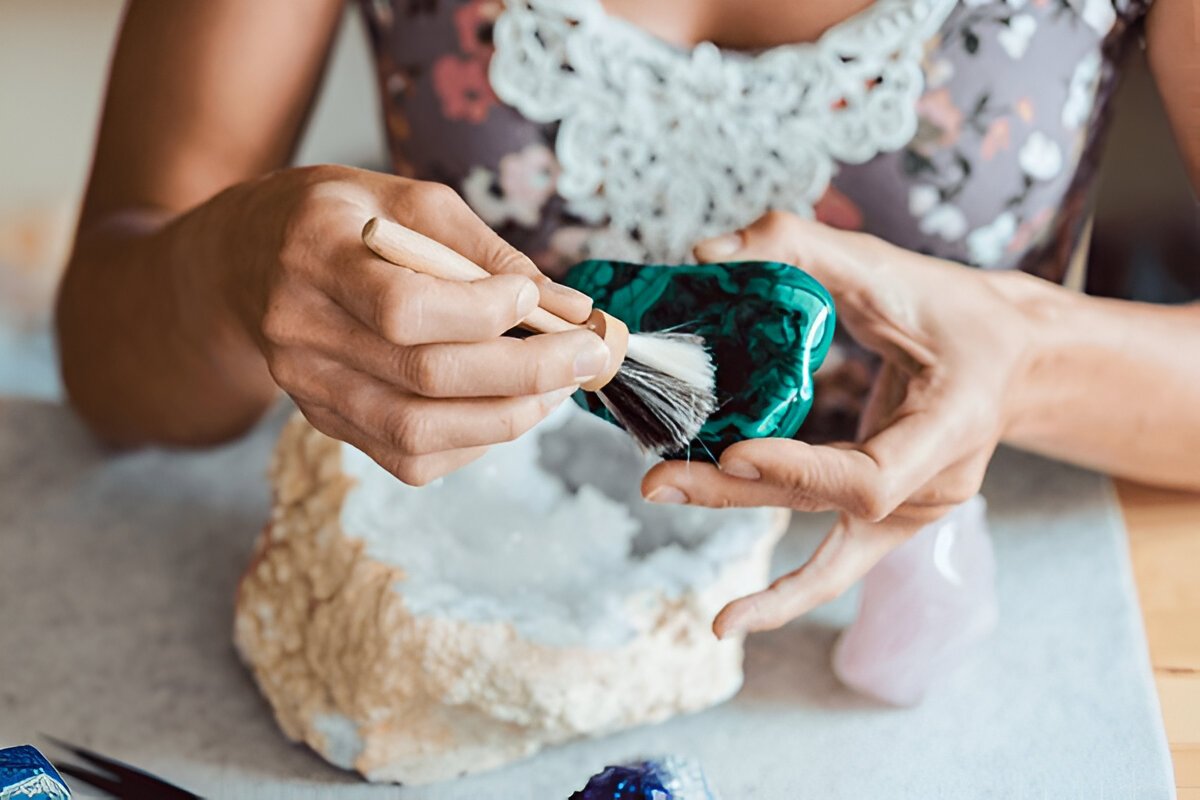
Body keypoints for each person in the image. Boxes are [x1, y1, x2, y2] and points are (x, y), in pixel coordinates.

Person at [58, 0, 1200, 638]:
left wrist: (1032, 360)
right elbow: (104, 346)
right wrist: (233, 260)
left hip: (965, 612)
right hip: (466, 571)